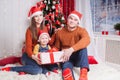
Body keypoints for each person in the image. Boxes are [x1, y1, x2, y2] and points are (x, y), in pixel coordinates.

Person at [0, 6, 58, 75]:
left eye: (40, 15)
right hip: (29, 55)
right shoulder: (29, 30)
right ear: (33, 18)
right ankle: (12, 69)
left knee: (55, 66)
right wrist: (34, 57)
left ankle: (27, 69)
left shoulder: (44, 28)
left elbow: (48, 42)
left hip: (40, 55)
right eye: (36, 16)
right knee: (37, 70)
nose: (39, 18)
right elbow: (28, 48)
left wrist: (55, 34)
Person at [54, 10, 90, 80]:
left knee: (83, 48)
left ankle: (83, 73)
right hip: (66, 57)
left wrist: (71, 49)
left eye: (75, 20)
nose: (72, 21)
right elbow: (57, 47)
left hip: (77, 58)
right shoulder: (60, 32)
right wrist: (55, 56)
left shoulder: (82, 30)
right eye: (71, 18)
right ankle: (68, 75)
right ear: (67, 19)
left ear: (77, 23)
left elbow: (87, 39)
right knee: (66, 67)